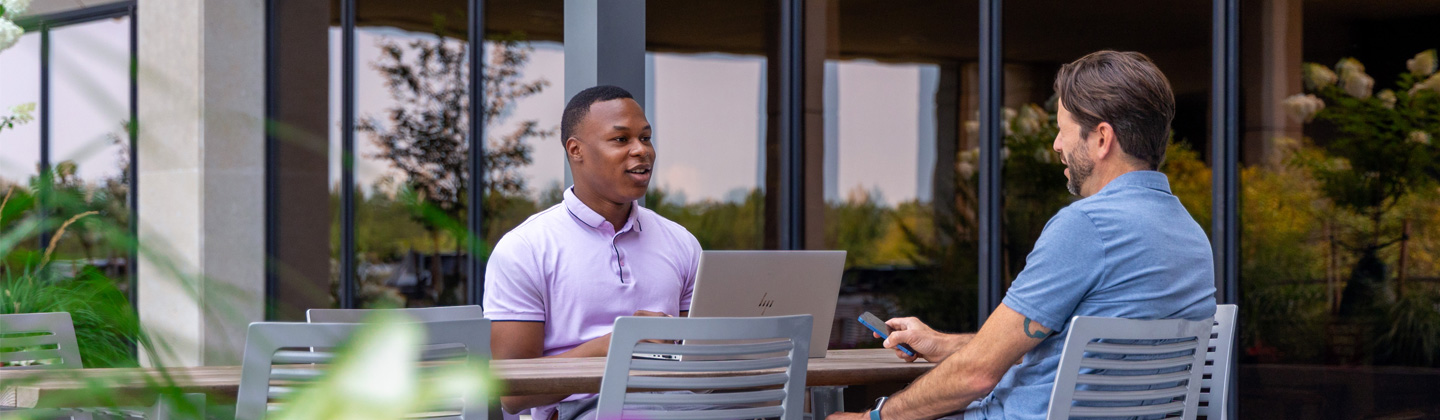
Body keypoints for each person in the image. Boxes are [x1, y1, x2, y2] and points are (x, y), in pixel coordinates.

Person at [828, 51, 1217, 420]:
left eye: (1063, 132)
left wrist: (874, 416)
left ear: (1101, 138)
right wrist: (943, 344)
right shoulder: (1192, 239)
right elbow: (1054, 351)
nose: (1057, 145)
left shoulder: (1087, 227)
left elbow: (977, 375)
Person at [483, 85, 702, 420]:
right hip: (583, 409)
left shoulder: (681, 242)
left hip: (680, 406)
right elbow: (512, 394)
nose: (640, 150)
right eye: (621, 139)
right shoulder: (525, 248)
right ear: (576, 150)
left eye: (645, 137)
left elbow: (702, 359)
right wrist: (614, 346)